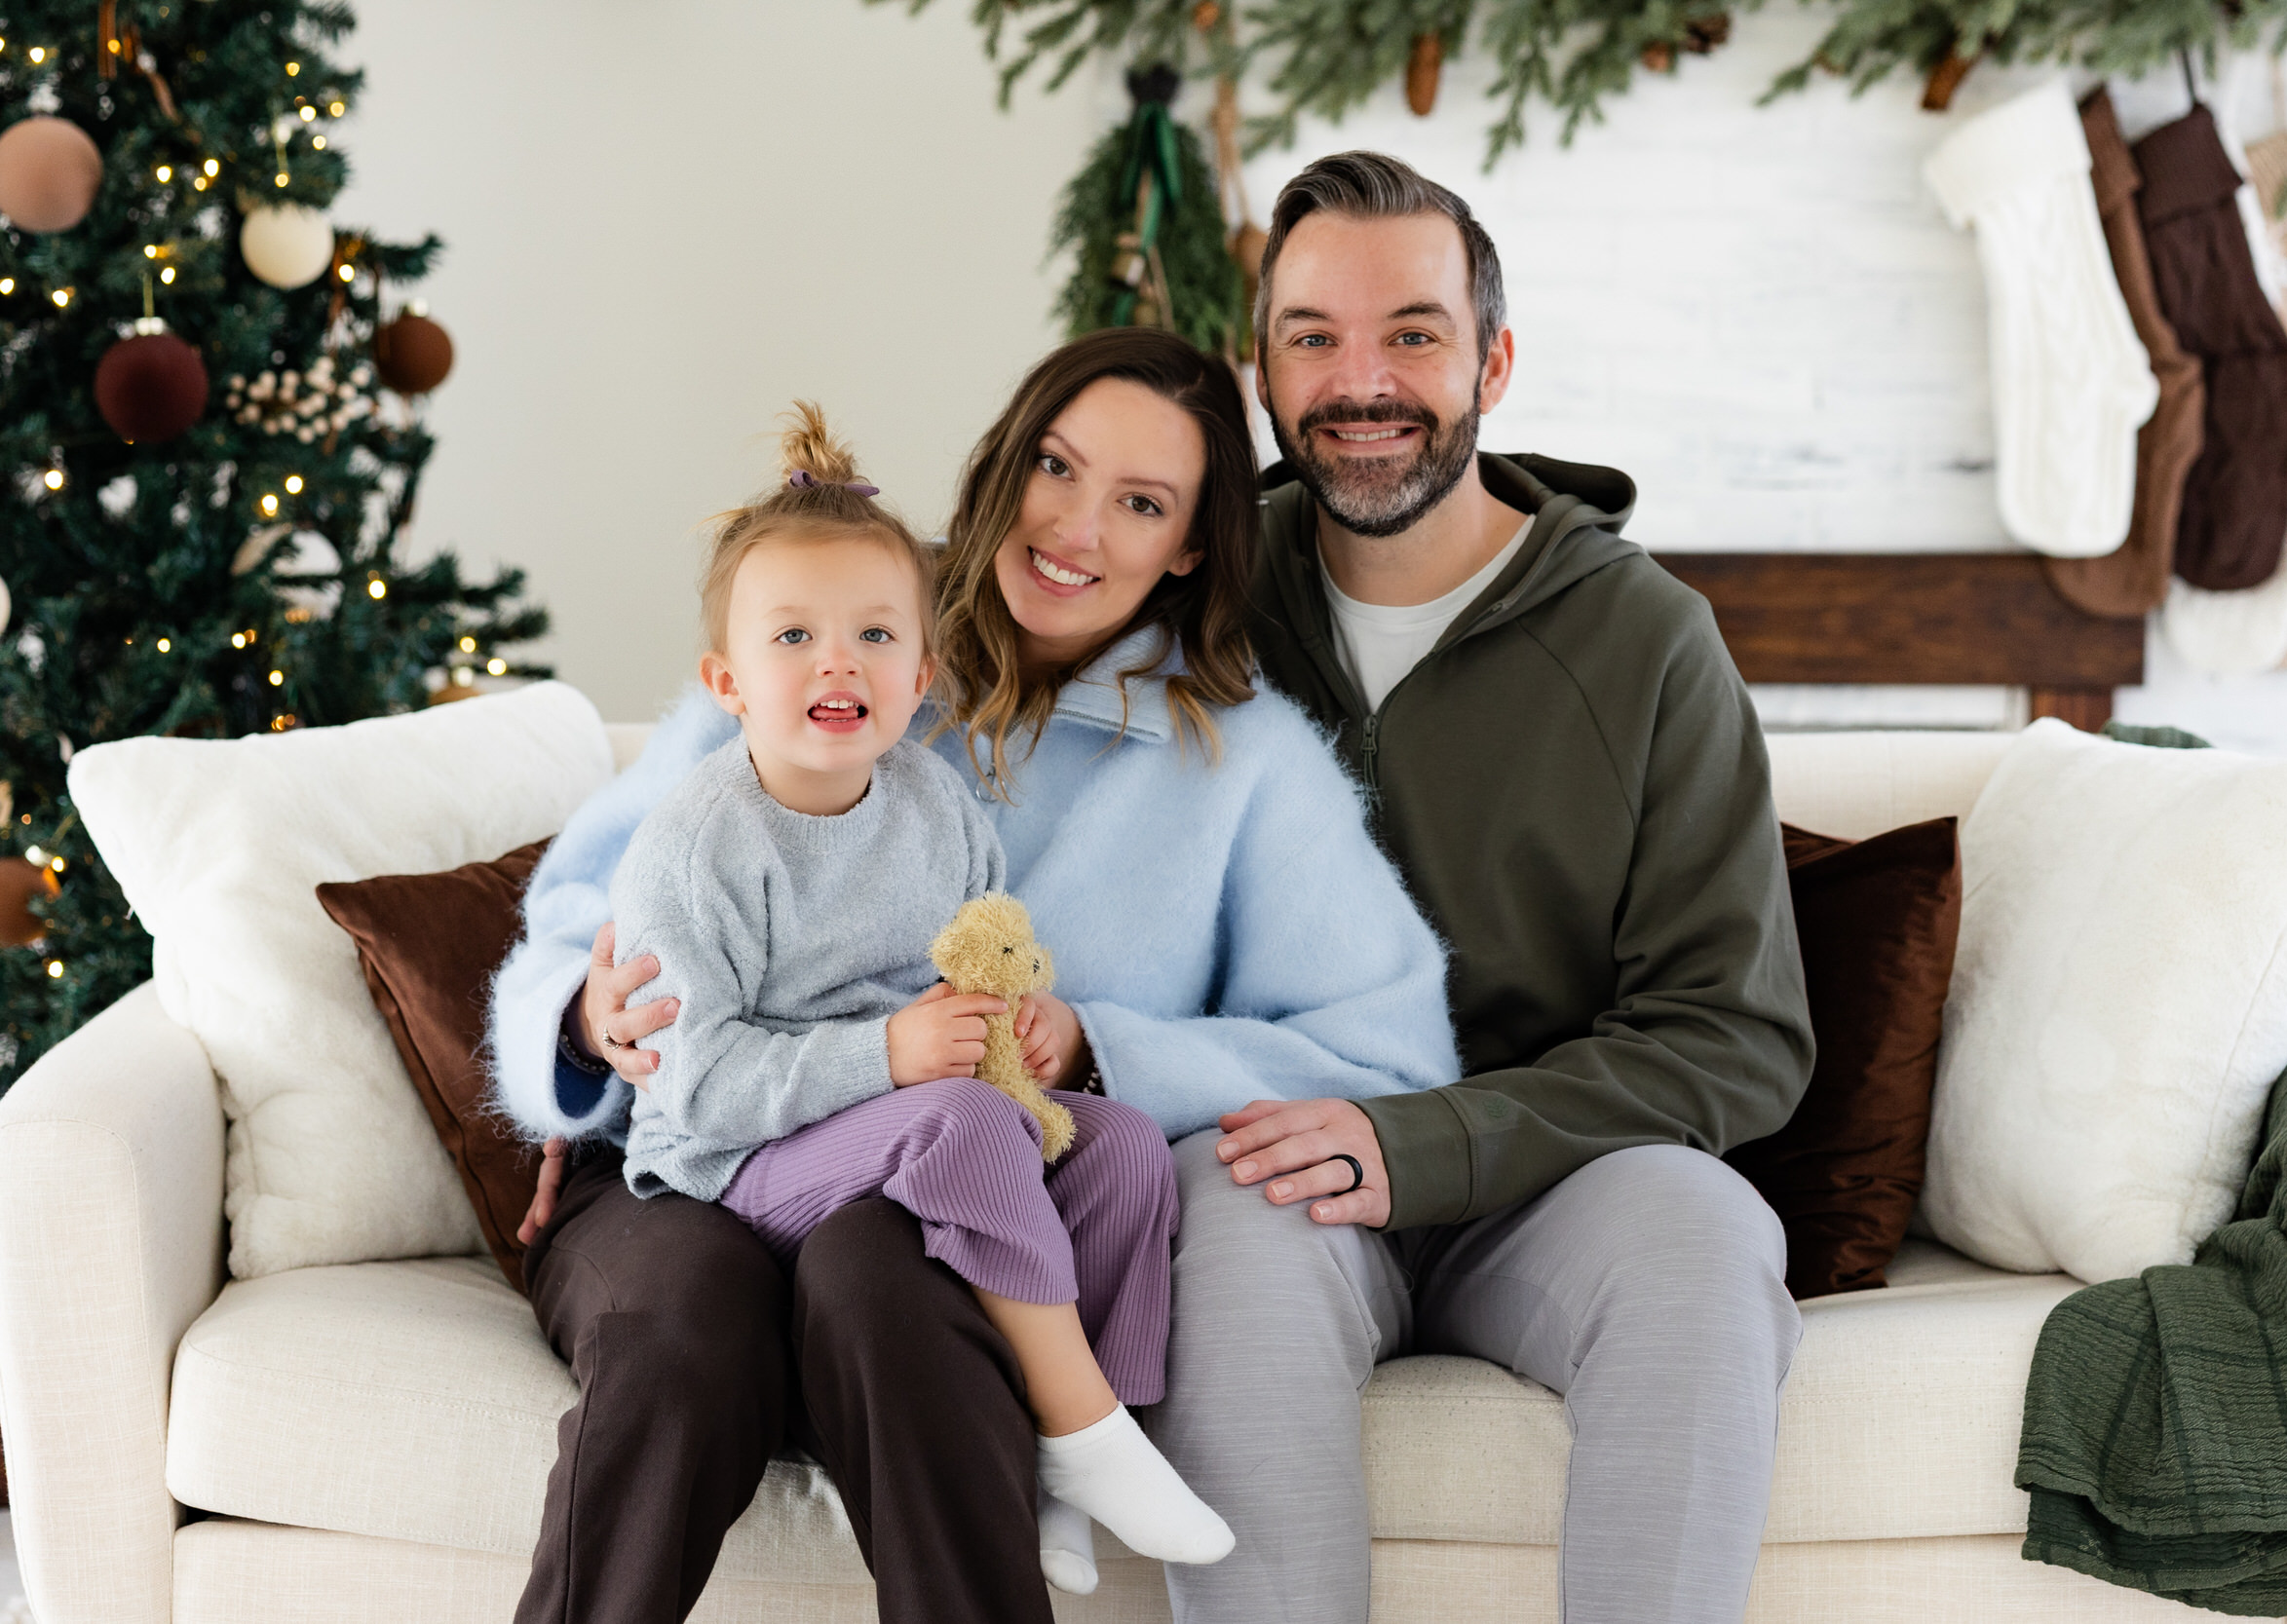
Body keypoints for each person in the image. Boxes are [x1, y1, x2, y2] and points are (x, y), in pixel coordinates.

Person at [487, 326, 1459, 1624]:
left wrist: (1100, 1044)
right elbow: (579, 903)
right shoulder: (830, 620)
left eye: (1142, 501)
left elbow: (1390, 1048)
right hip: (691, 1154)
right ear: (1006, 463)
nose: (1074, 524)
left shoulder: (1247, 764)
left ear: (1189, 545)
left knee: (889, 1281)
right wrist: (585, 1011)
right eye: (1056, 466)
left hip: (936, 1193)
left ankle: (1069, 1456)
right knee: (684, 1323)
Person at [1139, 152, 1816, 1623]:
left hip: (1561, 1177)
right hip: (1273, 1163)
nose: (1358, 379)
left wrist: (1437, 1141)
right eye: (1312, 336)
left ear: (1493, 358)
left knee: (1708, 1237)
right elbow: (909, 728)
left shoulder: (1648, 640)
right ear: (1261, 368)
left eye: (1413, 334)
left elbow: (1734, 1033)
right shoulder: (1185, 610)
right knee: (1230, 1241)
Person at [603, 401, 1232, 1573]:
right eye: (792, 637)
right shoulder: (697, 846)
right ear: (725, 679)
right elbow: (692, 1079)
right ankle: (1084, 1426)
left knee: (1122, 1143)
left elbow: (976, 962)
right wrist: (889, 1057)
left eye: (875, 635)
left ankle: (1061, 1449)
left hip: (908, 1126)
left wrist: (1020, 1028)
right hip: (738, 1161)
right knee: (962, 1118)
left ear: (921, 670)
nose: (838, 660)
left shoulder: (936, 807)